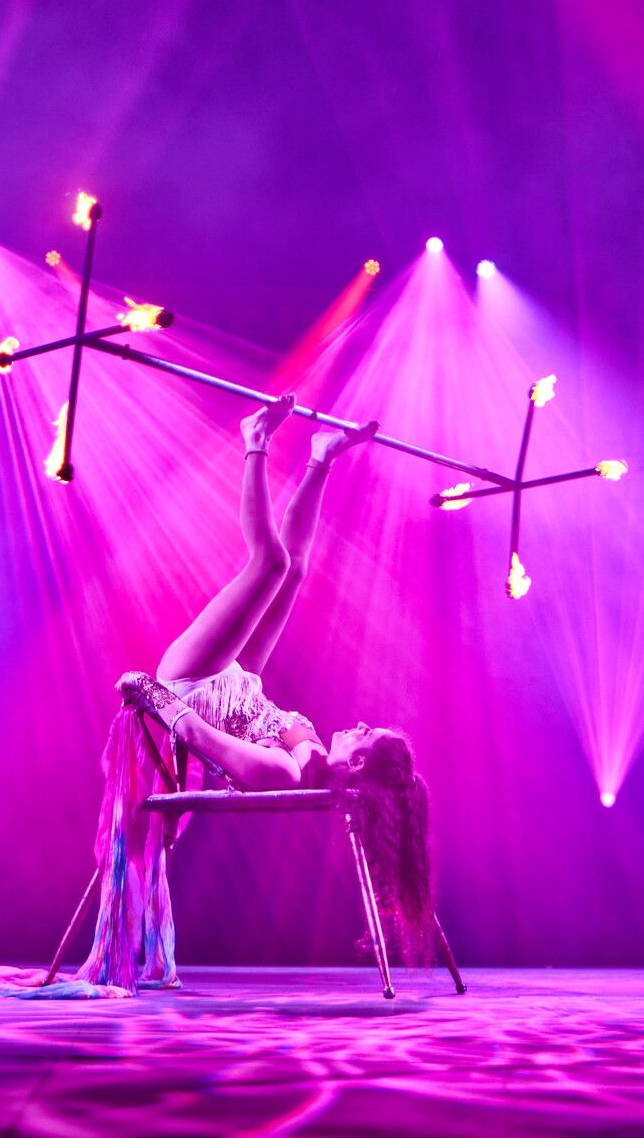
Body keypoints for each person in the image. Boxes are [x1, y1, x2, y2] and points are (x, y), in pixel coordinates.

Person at [118, 393, 437, 963]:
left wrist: (147, 691)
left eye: (365, 733)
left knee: (269, 563)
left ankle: (255, 438)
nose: (358, 723)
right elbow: (259, 715)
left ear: (358, 763)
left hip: (195, 683)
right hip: (241, 682)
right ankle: (322, 457)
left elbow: (193, 734)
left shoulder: (288, 771)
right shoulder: (311, 752)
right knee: (295, 571)